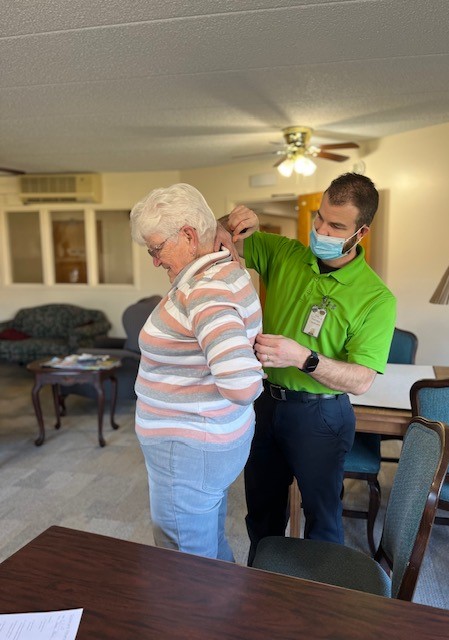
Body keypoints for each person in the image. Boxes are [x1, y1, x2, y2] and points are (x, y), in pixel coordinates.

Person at [217, 172, 396, 565]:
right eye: (319, 218)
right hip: (264, 404)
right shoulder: (285, 253)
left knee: (323, 521)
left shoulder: (376, 298)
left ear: (361, 231)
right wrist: (229, 221)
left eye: (336, 225)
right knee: (261, 515)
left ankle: (319, 606)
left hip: (322, 415)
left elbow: (362, 380)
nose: (321, 229)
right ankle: (261, 590)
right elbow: (214, 238)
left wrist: (304, 358)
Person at [130, 183, 264, 561]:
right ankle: (224, 616)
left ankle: (200, 621)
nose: (155, 260)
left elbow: (240, 385)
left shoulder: (205, 291)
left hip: (187, 446)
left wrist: (250, 369)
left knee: (185, 559)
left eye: (156, 248)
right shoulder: (228, 270)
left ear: (189, 235)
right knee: (207, 543)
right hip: (210, 438)